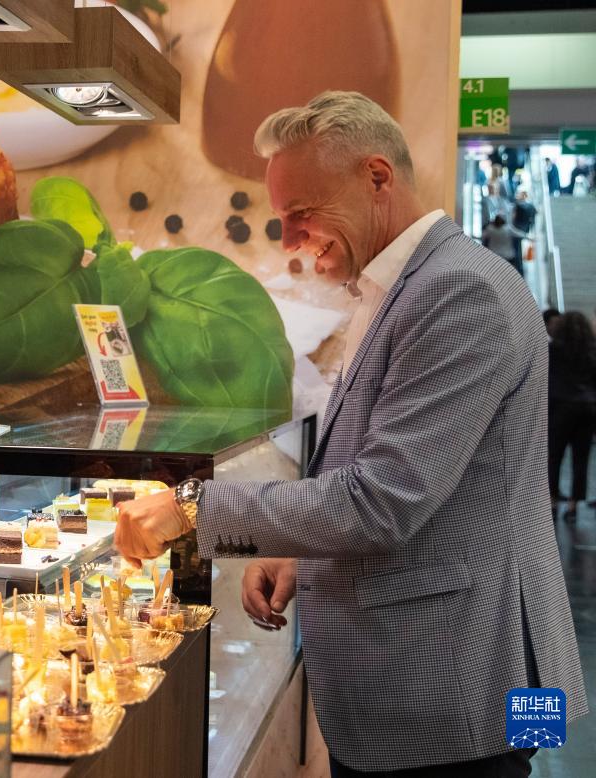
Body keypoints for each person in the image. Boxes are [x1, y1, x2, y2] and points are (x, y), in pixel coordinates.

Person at [114, 91, 587, 775]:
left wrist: (191, 508)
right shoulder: (399, 286)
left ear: (376, 178)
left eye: (302, 212)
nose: (289, 238)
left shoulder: (459, 290)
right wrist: (303, 557)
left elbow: (382, 500)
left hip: (458, 693)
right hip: (430, 688)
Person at [547, 311, 596, 519]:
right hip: (587, 408)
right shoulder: (592, 350)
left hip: (560, 406)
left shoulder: (553, 349)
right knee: (581, 458)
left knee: (554, 456)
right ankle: (574, 506)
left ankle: (552, 500)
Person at [510, 189, 537, 267]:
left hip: (517, 230)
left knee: (517, 250)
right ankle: (521, 266)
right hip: (525, 230)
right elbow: (533, 219)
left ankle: (518, 266)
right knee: (522, 249)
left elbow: (513, 218)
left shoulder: (517, 206)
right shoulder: (531, 206)